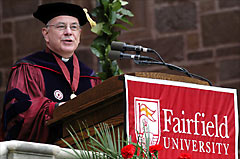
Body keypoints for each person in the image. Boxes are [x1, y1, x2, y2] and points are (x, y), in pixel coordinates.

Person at [0, 2, 100, 143]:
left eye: (74, 27)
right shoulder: (29, 68)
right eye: (61, 26)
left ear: (79, 34)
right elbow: (18, 115)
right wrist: (56, 109)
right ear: (46, 34)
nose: (68, 32)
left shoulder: (90, 77)